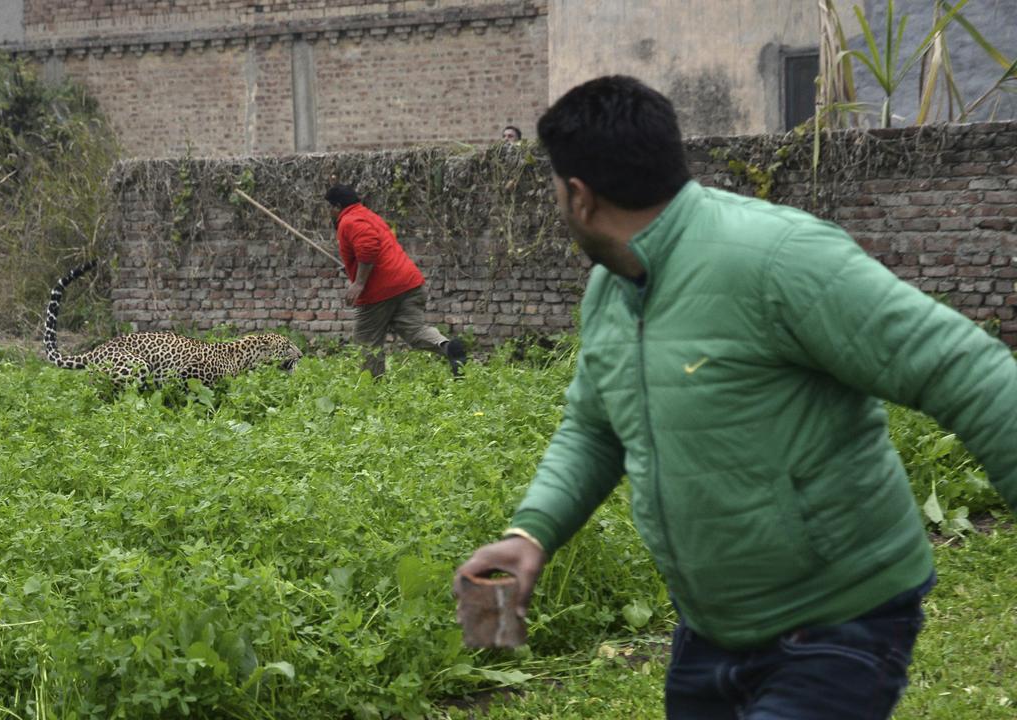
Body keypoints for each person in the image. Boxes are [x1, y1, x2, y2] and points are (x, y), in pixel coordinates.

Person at [455, 75, 1017, 719]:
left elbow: (972, 373)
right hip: (711, 629)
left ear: (578, 195)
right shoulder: (610, 291)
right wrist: (534, 531)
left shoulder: (778, 258)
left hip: (840, 617)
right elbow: (593, 429)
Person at [324, 184, 467, 379]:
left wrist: (359, 283)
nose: (329, 212)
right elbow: (375, 249)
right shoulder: (368, 215)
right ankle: (448, 347)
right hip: (409, 283)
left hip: (380, 291)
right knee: (415, 331)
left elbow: (368, 248)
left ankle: (372, 389)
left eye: (330, 207)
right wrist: (354, 268)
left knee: (367, 342)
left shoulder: (349, 221)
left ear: (337, 206)